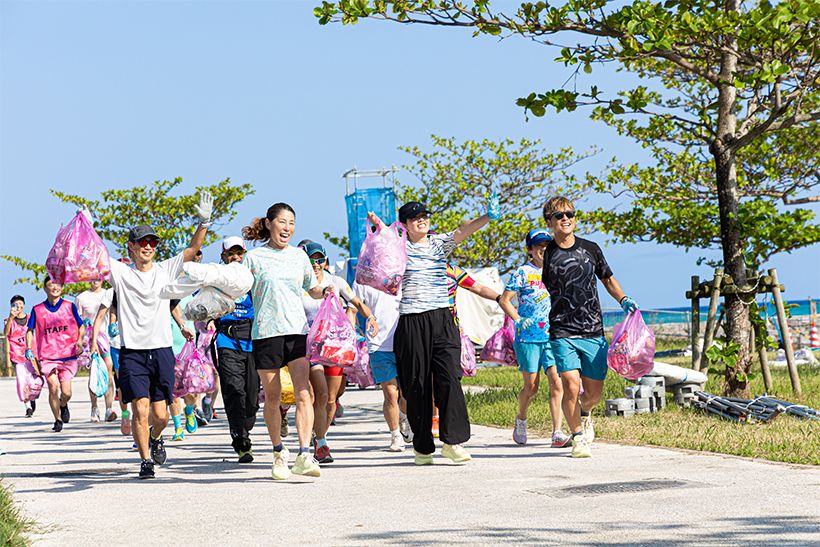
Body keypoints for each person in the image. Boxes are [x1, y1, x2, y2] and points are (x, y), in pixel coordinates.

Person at [91, 191, 212, 479]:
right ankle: (145, 460)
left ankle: (156, 438)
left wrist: (204, 222)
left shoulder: (165, 269)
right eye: (143, 242)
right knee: (140, 410)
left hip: (161, 351)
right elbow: (96, 254)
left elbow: (193, 248)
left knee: (162, 416)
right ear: (131, 247)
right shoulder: (120, 273)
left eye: (153, 242)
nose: (148, 246)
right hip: (132, 351)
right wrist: (89, 225)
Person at [388, 192, 500, 465]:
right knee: (417, 385)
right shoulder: (397, 249)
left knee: (449, 378)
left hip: (442, 318)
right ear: (404, 224)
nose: (421, 221)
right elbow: (376, 263)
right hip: (412, 320)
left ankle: (453, 441)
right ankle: (423, 447)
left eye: (424, 216)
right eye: (414, 218)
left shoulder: (439, 244)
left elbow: (462, 231)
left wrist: (488, 216)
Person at [541, 196, 638, 458]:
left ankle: (584, 414)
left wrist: (624, 299)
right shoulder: (546, 253)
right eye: (559, 216)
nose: (566, 219)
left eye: (570, 214)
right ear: (549, 221)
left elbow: (607, 279)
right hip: (562, 330)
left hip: (593, 330)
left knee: (593, 395)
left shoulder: (591, 249)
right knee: (571, 384)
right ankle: (578, 436)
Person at [242, 203, 330, 480]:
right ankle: (279, 453)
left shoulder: (299, 257)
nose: (287, 228)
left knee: (305, 393)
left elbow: (311, 289)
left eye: (292, 223)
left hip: (296, 331)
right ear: (269, 224)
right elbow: (238, 288)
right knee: (273, 397)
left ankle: (305, 453)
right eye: (282, 222)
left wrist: (323, 291)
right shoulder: (254, 258)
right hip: (266, 333)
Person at [300, 241, 378, 463]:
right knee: (320, 393)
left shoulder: (336, 282)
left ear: (325, 261)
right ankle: (321, 444)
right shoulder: (299, 285)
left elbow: (357, 303)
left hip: (334, 347)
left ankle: (318, 435)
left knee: (331, 399)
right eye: (310, 260)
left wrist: (370, 318)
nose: (315, 264)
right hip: (311, 348)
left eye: (319, 259)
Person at [498, 228, 569, 448]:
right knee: (531, 387)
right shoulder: (522, 272)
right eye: (539, 246)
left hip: (552, 335)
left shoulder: (557, 270)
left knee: (557, 382)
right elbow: (505, 300)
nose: (543, 250)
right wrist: (518, 319)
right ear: (530, 250)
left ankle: (557, 432)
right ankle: (521, 418)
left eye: (547, 246)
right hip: (528, 337)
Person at [213, 236, 259, 463]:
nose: (235, 257)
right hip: (227, 339)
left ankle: (246, 423)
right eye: (231, 253)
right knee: (233, 390)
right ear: (223, 256)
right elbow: (201, 302)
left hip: (252, 338)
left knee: (251, 397)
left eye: (239, 253)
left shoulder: (252, 278)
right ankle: (240, 439)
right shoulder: (217, 279)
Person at [353, 280, 411, 452]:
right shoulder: (362, 280)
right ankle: (395, 435)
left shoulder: (403, 273)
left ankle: (404, 417)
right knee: (391, 394)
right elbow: (353, 307)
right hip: (378, 344)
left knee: (406, 392)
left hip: (405, 342)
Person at [25, 276, 85, 432]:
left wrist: (79, 341)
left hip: (68, 354)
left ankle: (63, 404)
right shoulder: (37, 310)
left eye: (57, 284)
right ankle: (57, 420)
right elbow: (29, 331)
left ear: (62, 287)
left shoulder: (69, 306)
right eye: (50, 284)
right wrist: (29, 348)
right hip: (47, 356)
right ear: (45, 288)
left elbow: (81, 326)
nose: (54, 287)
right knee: (53, 386)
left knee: (66, 392)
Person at [76, 279, 118, 423]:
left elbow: (113, 313)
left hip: (106, 339)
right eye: (92, 277)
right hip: (90, 340)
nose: (96, 280)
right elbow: (77, 320)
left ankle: (109, 408)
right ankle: (94, 408)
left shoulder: (108, 294)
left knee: (108, 371)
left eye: (99, 277)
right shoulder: (81, 298)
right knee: (94, 373)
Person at [4, 295, 37, 416]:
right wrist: (11, 317)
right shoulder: (9, 320)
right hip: (17, 356)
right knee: (22, 381)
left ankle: (32, 397)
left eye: (20, 303)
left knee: (33, 380)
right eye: (15, 304)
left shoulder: (30, 318)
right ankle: (27, 406)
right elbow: (6, 333)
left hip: (31, 354)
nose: (18, 306)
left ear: (24, 304)